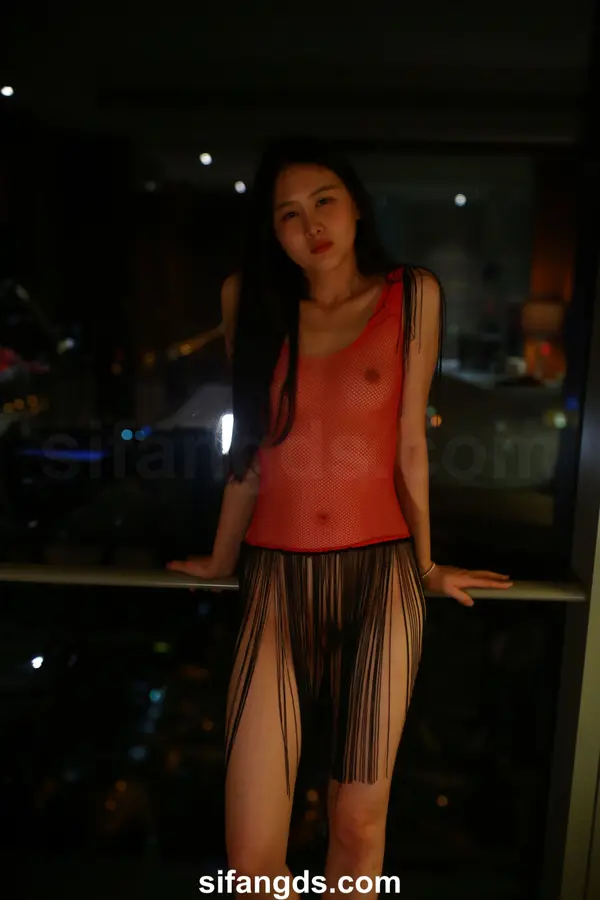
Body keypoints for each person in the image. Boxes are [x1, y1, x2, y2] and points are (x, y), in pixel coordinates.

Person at [167, 137, 512, 896]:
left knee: (356, 826)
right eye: (288, 213)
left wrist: (427, 564)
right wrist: (221, 560)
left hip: (380, 577)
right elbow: (249, 447)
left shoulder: (410, 294)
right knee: (251, 859)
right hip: (274, 583)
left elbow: (411, 448)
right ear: (272, 231)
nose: (311, 224)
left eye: (324, 201)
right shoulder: (249, 302)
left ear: (356, 205)